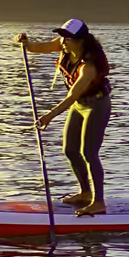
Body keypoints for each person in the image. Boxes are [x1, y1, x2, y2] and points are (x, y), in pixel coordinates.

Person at [14, 18, 113, 217]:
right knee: (70, 150)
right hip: (79, 105)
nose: (63, 41)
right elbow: (36, 47)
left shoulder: (90, 64)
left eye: (69, 38)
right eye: (63, 37)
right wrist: (25, 42)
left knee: (89, 153)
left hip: (96, 105)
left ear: (81, 40)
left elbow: (72, 96)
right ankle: (85, 193)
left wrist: (49, 115)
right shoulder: (64, 44)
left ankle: (98, 202)